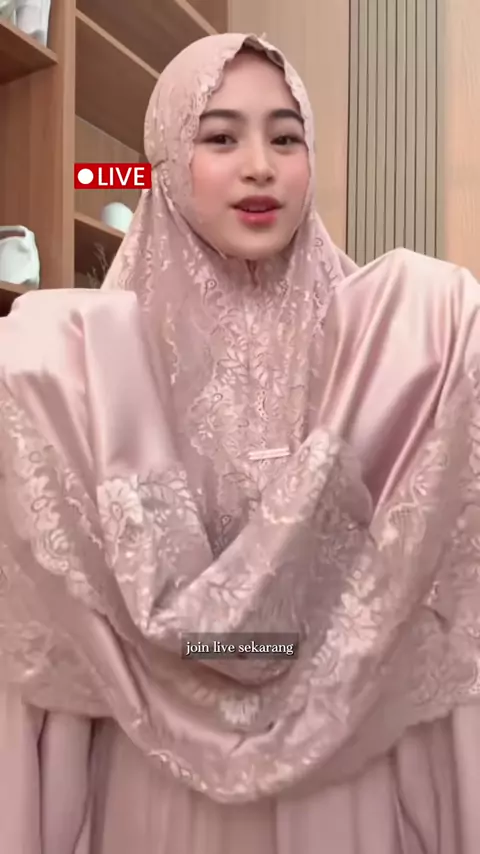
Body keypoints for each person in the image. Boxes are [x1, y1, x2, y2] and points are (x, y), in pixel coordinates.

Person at [1, 30, 480, 854]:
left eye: (285, 139)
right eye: (220, 137)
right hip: (159, 783)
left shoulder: (400, 349)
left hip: (345, 773)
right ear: (164, 158)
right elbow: (47, 650)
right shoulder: (68, 370)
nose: (260, 166)